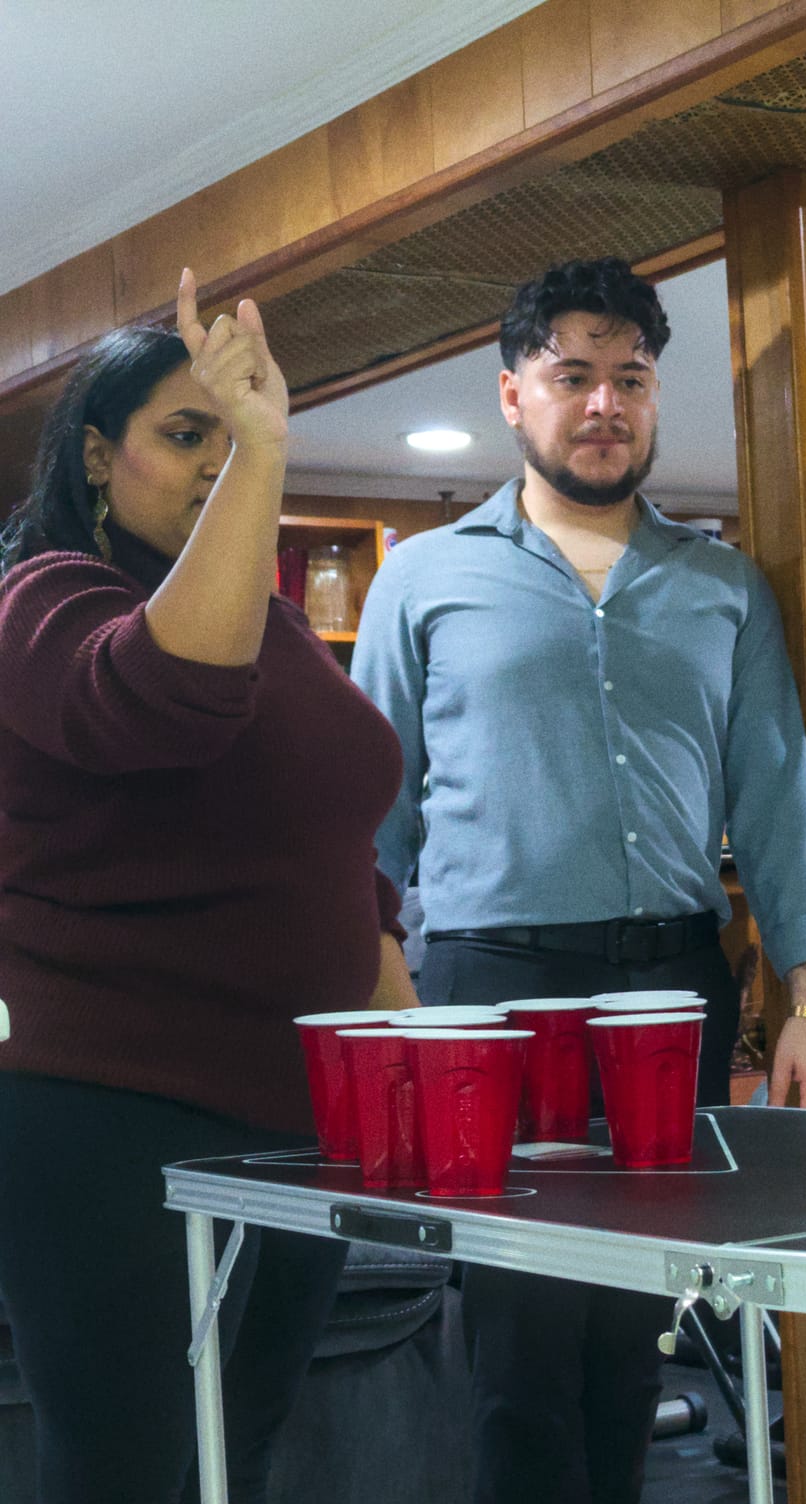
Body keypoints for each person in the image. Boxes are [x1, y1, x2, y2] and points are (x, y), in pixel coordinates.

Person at [353, 256, 806, 1504]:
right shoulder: (422, 577)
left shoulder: (721, 586)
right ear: (512, 393)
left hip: (669, 985)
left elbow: (777, 796)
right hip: (488, 987)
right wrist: (391, 1001)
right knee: (519, 1333)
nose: (603, 403)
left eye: (629, 377)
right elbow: (370, 824)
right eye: (572, 375)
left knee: (632, 1321)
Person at [0, 272, 419, 1503]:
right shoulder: (45, 600)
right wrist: (267, 455)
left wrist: (412, 1059)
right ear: (94, 454)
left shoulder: (278, 630)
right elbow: (169, 700)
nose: (214, 465)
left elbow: (346, 857)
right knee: (131, 1469)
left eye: (231, 442)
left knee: (243, 1452)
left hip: (300, 1111)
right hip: (109, 1114)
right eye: (187, 435)